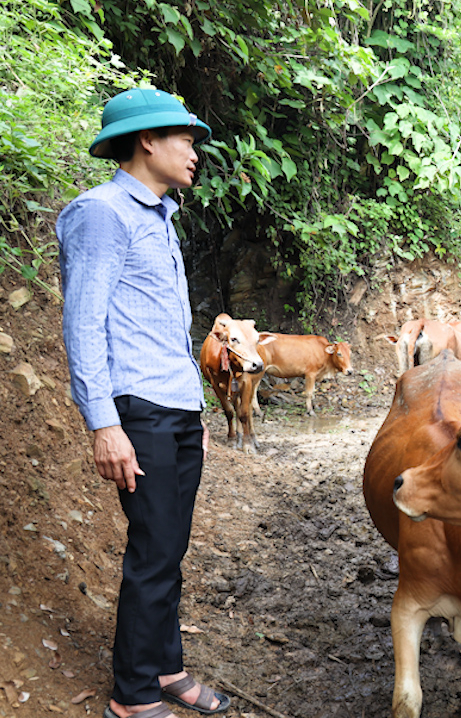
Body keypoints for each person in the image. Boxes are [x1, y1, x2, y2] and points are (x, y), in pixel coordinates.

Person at [57, 88, 230, 718]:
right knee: (154, 552)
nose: (194, 153)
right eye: (185, 139)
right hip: (138, 411)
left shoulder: (160, 214)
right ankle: (130, 696)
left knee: (170, 547)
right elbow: (84, 324)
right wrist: (105, 424)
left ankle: (166, 667)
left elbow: (163, 326)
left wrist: (196, 412)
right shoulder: (101, 212)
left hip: (174, 409)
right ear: (147, 141)